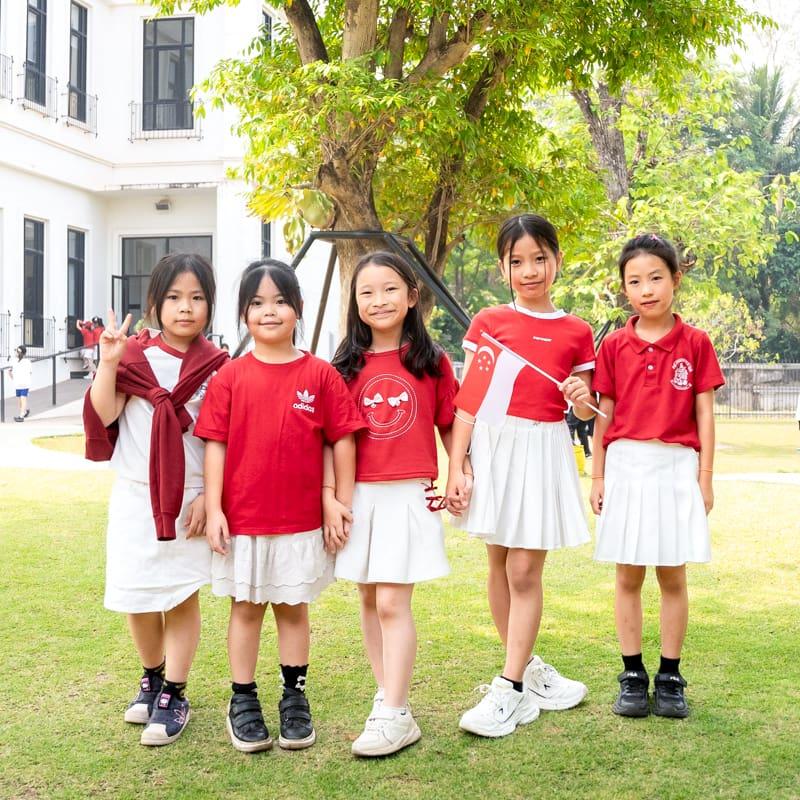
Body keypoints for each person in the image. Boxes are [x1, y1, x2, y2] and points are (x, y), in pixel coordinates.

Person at [194, 260, 365, 754]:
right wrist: (217, 507)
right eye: (256, 303)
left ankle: (295, 697)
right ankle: (242, 700)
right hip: (243, 521)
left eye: (280, 301)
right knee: (245, 610)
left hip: (300, 523)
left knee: (293, 610)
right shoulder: (230, 376)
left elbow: (342, 442)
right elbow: (215, 445)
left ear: (298, 309)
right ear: (244, 313)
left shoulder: (321, 374)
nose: (269, 311)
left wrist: (338, 501)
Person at [446, 213, 594, 738]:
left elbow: (584, 410)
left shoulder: (578, 330)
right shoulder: (489, 321)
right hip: (493, 445)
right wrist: (458, 465)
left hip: (542, 449)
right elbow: (470, 399)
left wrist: (583, 399)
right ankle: (527, 670)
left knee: (525, 572)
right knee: (499, 561)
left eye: (539, 258)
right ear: (503, 268)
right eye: (517, 262)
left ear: (556, 259)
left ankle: (509, 689)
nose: (529, 270)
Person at [83, 253, 228, 746]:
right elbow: (105, 414)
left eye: (197, 298)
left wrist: (210, 496)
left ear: (210, 305)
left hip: (189, 497)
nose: (185, 308)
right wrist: (107, 362)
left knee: (181, 594)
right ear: (154, 303)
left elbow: (220, 440)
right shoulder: (132, 357)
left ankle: (176, 692)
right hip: (135, 496)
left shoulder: (217, 368)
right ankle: (152, 676)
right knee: (136, 594)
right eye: (173, 298)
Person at [328, 251, 464, 757]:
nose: (379, 300)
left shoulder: (431, 362)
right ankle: (389, 699)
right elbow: (332, 438)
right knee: (367, 597)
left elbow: (451, 423)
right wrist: (333, 499)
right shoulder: (342, 367)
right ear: (355, 303)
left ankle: (394, 710)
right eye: (367, 292)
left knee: (391, 601)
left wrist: (459, 471)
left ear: (411, 297)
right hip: (359, 496)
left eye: (390, 289)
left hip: (409, 493)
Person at [590, 234, 724, 719]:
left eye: (656, 278)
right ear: (624, 288)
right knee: (627, 574)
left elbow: (705, 414)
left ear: (676, 279)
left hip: (675, 468)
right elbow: (604, 413)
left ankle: (670, 675)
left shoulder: (696, 342)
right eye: (634, 281)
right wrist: (597, 475)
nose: (646, 289)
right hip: (625, 465)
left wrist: (704, 477)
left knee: (672, 573)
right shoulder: (614, 345)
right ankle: (632, 674)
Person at [11, 345, 33, 422]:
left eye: (17, 351)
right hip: (17, 384)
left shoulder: (27, 362)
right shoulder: (14, 362)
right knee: (20, 401)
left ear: (20, 353)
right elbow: (11, 372)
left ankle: (21, 417)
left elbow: (30, 372)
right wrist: (13, 379)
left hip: (25, 384)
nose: (16, 353)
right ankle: (25, 411)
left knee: (23, 399)